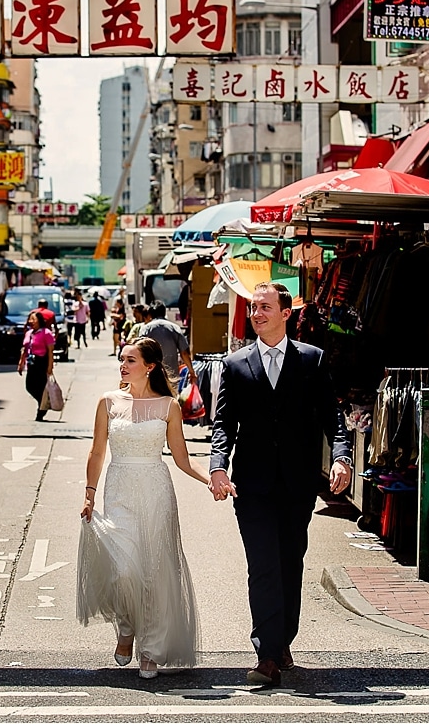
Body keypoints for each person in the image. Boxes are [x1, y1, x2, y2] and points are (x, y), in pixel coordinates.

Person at [209, 282, 351, 685]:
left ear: (286, 314)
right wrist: (218, 466)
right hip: (251, 485)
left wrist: (341, 457)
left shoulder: (312, 359)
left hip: (297, 484)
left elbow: (332, 417)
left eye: (265, 308)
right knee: (263, 566)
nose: (256, 314)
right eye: (254, 308)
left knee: (289, 562)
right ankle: (267, 654)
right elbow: (224, 423)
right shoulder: (235, 364)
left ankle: (283, 638)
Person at [77, 337, 209, 679]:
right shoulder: (108, 402)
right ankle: (126, 628)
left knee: (154, 572)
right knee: (124, 569)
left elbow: (182, 458)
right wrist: (89, 494)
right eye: (122, 359)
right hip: (119, 490)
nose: (123, 365)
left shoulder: (169, 406)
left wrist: (211, 479)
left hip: (156, 491)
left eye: (130, 360)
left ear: (149, 366)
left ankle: (150, 648)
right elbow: (97, 451)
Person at [140, 302, 198, 393]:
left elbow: (140, 351)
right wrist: (191, 372)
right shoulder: (174, 328)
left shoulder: (145, 329)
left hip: (151, 374)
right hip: (172, 376)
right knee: (171, 398)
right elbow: (184, 353)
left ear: (150, 314)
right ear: (164, 312)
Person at [18, 311, 56, 421]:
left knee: (40, 387)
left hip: (41, 363)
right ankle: (43, 403)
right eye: (30, 319)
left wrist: (50, 367)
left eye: (33, 319)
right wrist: (21, 362)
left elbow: (50, 351)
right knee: (29, 386)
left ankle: (41, 410)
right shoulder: (29, 333)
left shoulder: (46, 333)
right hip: (31, 363)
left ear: (39, 321)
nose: (31, 322)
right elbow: (24, 348)